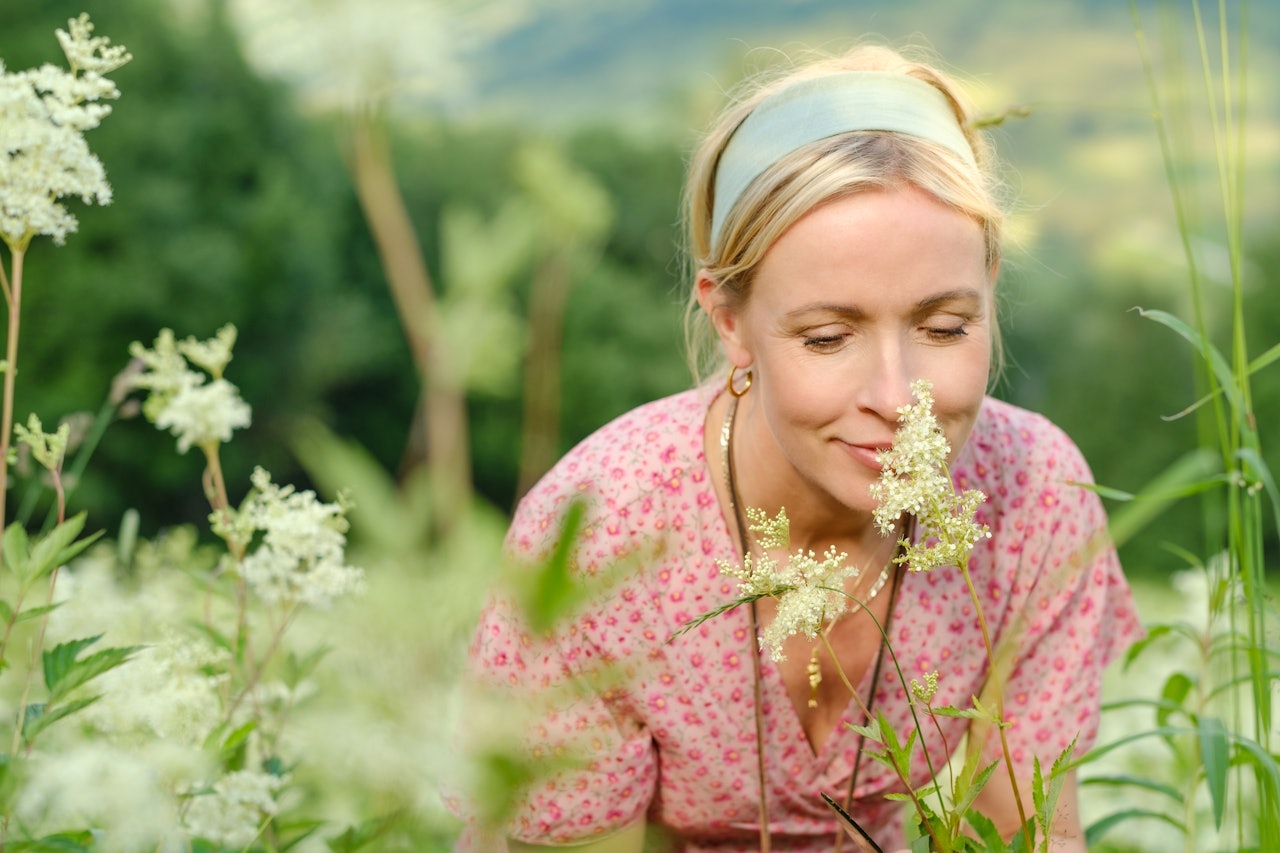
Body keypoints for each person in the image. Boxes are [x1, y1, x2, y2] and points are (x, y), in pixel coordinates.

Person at [448, 42, 1142, 853]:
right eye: (827, 337)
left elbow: (1028, 835)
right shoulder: (605, 532)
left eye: (944, 326)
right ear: (730, 320)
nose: (897, 397)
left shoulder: (1033, 494)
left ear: (991, 290)